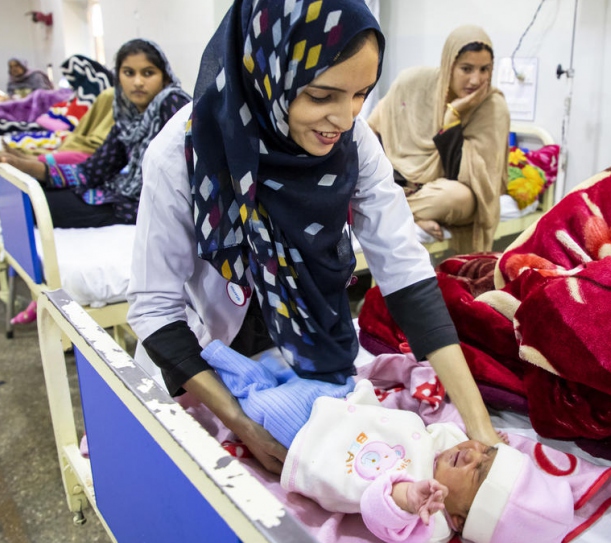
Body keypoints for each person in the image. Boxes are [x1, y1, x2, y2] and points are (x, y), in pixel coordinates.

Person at [127, 0, 502, 478]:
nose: (344, 119)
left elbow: (404, 270)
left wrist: (480, 427)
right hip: (207, 372)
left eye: (361, 94)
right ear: (269, 72)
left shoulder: (353, 143)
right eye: (321, 96)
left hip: (308, 353)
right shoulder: (183, 154)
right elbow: (154, 309)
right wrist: (242, 423)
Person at [199, 342, 611, 543]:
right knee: (291, 370)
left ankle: (214, 356)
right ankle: (246, 366)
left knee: (262, 401)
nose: (473, 454)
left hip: (307, 441)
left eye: (476, 475)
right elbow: (441, 414)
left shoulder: (429, 515)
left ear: (459, 519)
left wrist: (406, 498)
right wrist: (425, 383)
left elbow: (379, 514)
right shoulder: (450, 442)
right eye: (487, 454)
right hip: (341, 399)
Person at [0, 39, 190, 325]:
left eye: (148, 73)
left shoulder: (173, 104)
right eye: (128, 72)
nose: (137, 82)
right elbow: (93, 170)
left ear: (165, 76)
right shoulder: (128, 115)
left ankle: (47, 295)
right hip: (126, 195)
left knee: (38, 206)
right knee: (40, 194)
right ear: (117, 76)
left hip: (146, 206)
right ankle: (43, 293)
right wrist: (24, 167)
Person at [368, 25, 510, 254]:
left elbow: (472, 180)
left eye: (485, 70)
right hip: (400, 183)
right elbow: (371, 131)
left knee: (456, 197)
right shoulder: (415, 83)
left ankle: (395, 212)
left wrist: (452, 116)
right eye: (466, 69)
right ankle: (408, 213)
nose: (476, 80)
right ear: (448, 65)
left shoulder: (493, 107)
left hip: (449, 193)